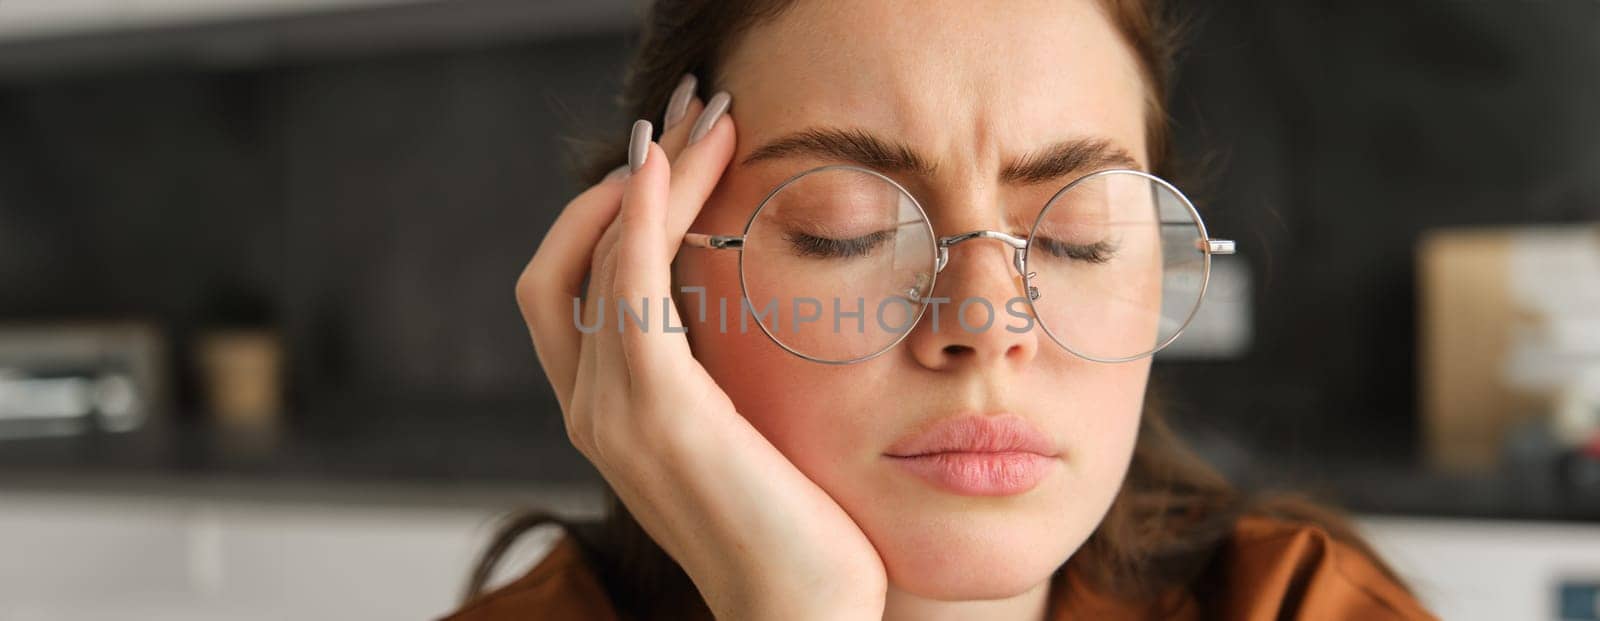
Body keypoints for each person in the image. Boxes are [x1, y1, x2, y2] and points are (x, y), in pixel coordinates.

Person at [445, 0, 1439, 619]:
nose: (984, 323)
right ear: (649, 276)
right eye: (845, 229)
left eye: (1074, 235)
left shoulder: (1300, 607)